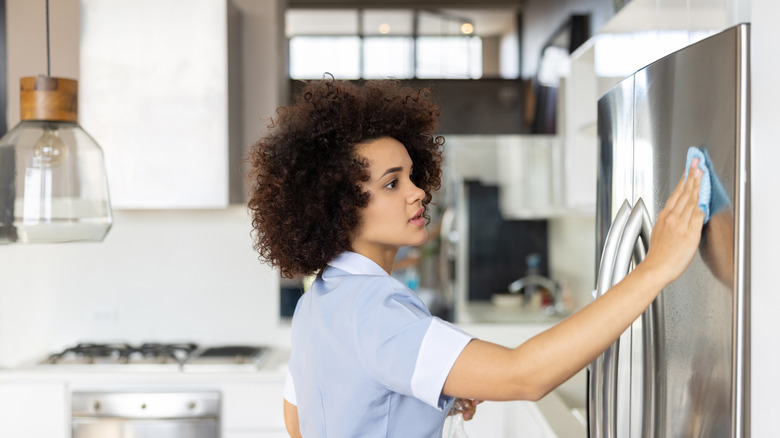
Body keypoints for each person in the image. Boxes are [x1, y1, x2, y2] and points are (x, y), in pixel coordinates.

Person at [246, 78, 704, 438]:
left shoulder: (320, 302)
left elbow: (299, 424)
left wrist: (423, 398)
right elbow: (525, 376)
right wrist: (656, 267)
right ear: (339, 206)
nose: (418, 191)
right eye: (392, 183)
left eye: (411, 175)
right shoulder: (376, 311)